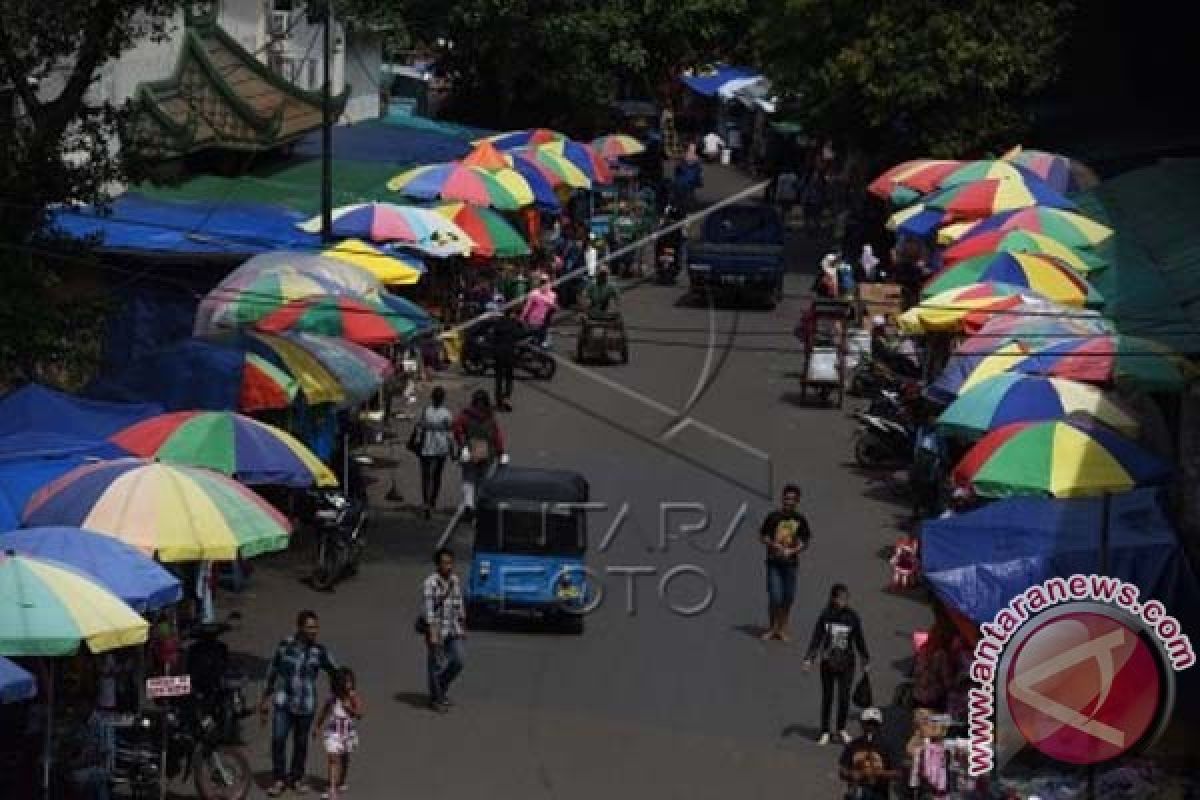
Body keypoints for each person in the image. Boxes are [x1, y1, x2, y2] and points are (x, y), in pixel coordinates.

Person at [260, 610, 338, 796]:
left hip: (306, 705)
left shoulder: (319, 651)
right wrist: (264, 698)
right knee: (278, 740)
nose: (314, 631)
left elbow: (336, 671)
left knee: (300, 744)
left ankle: (296, 779)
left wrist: (344, 692)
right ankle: (279, 779)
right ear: (300, 627)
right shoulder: (285, 645)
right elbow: (272, 670)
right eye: (310, 627)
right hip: (284, 702)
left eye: (316, 627)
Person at [803, 584, 870, 746]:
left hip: (847, 663)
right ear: (833, 599)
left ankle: (841, 729)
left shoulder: (852, 617)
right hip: (827, 662)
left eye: (846, 598)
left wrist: (865, 659)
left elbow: (859, 639)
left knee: (844, 697)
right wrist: (808, 659)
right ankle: (825, 731)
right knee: (827, 697)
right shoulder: (825, 615)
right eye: (840, 598)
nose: (843, 602)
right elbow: (816, 638)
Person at [758, 484, 811, 641]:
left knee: (788, 598)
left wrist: (792, 551)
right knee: (775, 597)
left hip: (791, 564)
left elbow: (805, 541)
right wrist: (773, 544)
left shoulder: (800, 520)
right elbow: (762, 536)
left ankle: (782, 627)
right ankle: (772, 628)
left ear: (797, 501)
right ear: (782, 499)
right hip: (773, 562)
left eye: (792, 499)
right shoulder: (773, 517)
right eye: (786, 498)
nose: (789, 502)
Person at [423, 547, 466, 712]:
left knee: (459, 660)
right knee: (436, 665)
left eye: (450, 562)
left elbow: (459, 602)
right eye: (444, 563)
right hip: (437, 630)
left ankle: (439, 686)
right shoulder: (430, 583)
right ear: (438, 565)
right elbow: (428, 611)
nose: (448, 566)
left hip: (453, 628)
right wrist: (433, 634)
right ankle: (437, 699)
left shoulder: (454, 580)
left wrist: (462, 625)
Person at [452, 389, 508, 514]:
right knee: (474, 479)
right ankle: (472, 505)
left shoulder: (472, 416)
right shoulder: (482, 417)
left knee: (474, 479)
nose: (479, 405)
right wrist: (463, 445)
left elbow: (496, 435)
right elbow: (458, 430)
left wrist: (501, 452)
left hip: (480, 450)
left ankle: (473, 505)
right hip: (479, 449)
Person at [313, 667, 362, 800]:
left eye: (350, 682)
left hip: (347, 732)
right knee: (333, 758)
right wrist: (317, 727)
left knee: (344, 758)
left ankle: (341, 781)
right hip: (333, 732)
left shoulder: (352, 695)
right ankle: (332, 789)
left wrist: (349, 708)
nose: (349, 684)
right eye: (346, 682)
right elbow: (324, 712)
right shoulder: (332, 698)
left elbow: (359, 713)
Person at [840, 707, 898, 800]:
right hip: (857, 792)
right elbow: (842, 770)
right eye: (868, 723)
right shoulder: (853, 745)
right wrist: (850, 774)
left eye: (874, 724)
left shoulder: (887, 746)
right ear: (862, 724)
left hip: (879, 794)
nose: (871, 727)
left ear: (880, 726)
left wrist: (880, 773)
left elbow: (898, 773)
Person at [414, 386, 453, 519]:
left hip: (428, 447)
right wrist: (452, 449)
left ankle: (427, 502)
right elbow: (449, 432)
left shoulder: (426, 411)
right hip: (440, 448)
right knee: (436, 476)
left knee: (427, 476)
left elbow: (419, 427)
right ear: (443, 399)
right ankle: (431, 502)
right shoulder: (446, 413)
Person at [488, 306, 523, 412]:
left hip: (498, 354)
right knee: (508, 377)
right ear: (511, 314)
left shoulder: (498, 324)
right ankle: (506, 397)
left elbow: (492, 338)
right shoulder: (514, 324)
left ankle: (499, 401)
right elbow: (520, 335)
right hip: (509, 354)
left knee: (498, 379)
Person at [521, 273, 559, 348]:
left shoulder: (552, 295)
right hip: (534, 320)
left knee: (540, 338)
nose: (544, 284)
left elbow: (555, 308)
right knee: (535, 338)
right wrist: (522, 317)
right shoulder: (535, 293)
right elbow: (527, 307)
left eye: (545, 282)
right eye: (542, 282)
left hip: (544, 320)